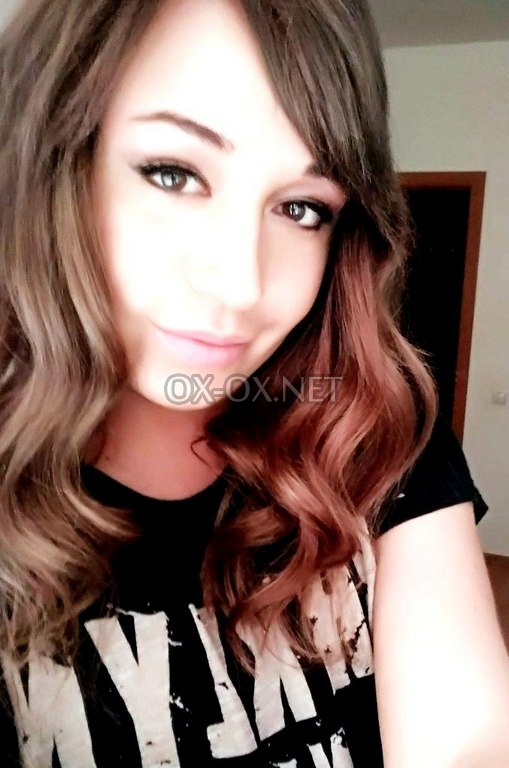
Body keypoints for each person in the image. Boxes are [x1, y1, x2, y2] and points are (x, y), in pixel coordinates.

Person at [0, 0, 508, 766]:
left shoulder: (373, 427)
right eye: (172, 174)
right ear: (50, 168)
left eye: (301, 208)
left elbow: (467, 744)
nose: (240, 283)